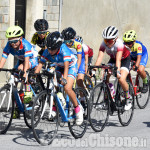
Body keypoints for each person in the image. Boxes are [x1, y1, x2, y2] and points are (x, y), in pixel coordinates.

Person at [35, 31, 83, 125]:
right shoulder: (47, 50)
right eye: (48, 49)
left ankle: (78, 109)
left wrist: (64, 79)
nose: (50, 51)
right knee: (52, 85)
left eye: (52, 49)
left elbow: (66, 67)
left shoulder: (64, 50)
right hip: (59, 66)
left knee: (67, 87)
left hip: (70, 66)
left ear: (58, 46)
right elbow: (41, 63)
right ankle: (55, 107)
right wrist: (35, 73)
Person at [0, 25, 38, 117]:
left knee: (21, 69)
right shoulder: (9, 46)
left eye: (14, 41)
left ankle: (28, 90)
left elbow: (26, 60)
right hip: (21, 60)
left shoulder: (26, 45)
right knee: (14, 81)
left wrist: (25, 73)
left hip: (31, 59)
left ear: (21, 38)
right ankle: (17, 106)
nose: (13, 44)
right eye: (10, 41)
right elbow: (4, 57)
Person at [93, 26, 131, 110]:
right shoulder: (103, 44)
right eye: (105, 40)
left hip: (124, 60)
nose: (107, 43)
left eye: (109, 41)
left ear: (115, 38)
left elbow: (118, 60)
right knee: (105, 77)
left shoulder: (119, 44)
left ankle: (128, 99)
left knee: (121, 79)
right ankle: (107, 100)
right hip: (113, 59)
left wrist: (117, 71)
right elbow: (99, 57)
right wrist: (94, 70)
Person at [61, 27, 85, 93]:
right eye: (65, 41)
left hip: (80, 60)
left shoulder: (78, 44)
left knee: (79, 81)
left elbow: (79, 59)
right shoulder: (63, 44)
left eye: (69, 41)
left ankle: (83, 98)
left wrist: (76, 69)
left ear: (74, 39)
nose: (67, 43)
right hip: (70, 61)